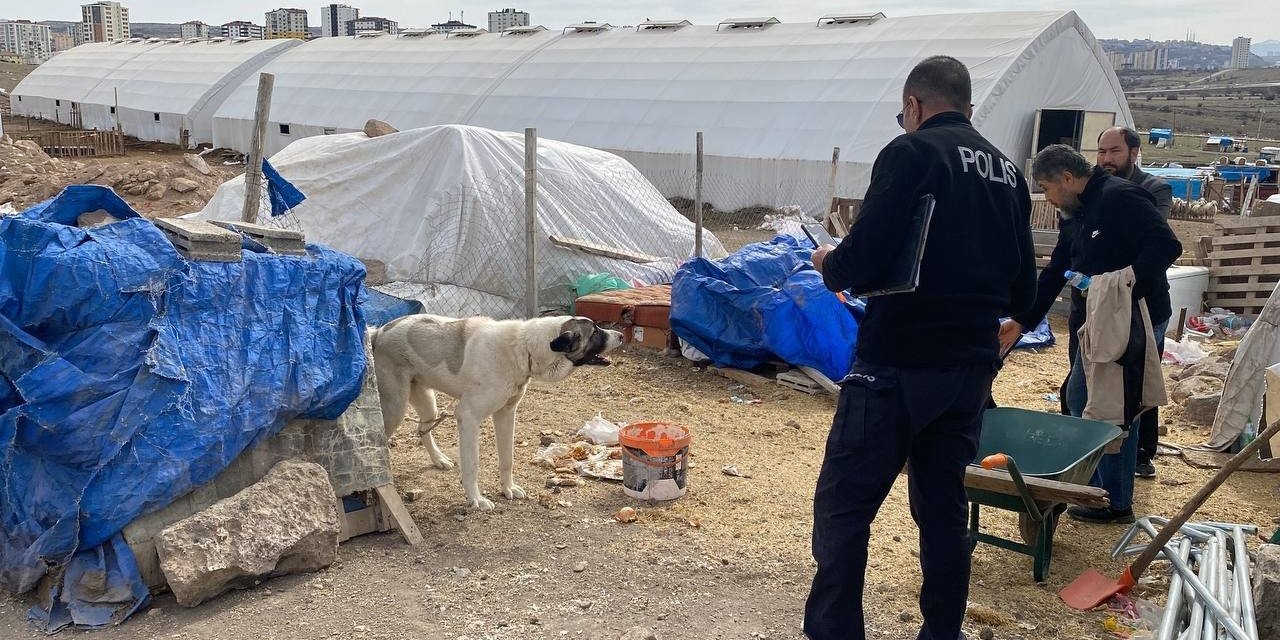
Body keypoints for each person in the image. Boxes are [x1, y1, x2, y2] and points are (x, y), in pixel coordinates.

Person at [807, 55, 1037, 640]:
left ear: (914, 106)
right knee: (942, 515)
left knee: (845, 510)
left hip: (897, 362)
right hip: (967, 372)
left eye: (903, 112)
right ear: (968, 106)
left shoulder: (910, 153)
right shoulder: (1009, 174)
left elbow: (861, 260)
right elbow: (1024, 290)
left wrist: (830, 262)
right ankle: (942, 633)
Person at [1000, 145, 1181, 524]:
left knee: (1116, 405)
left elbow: (1166, 245)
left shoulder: (1119, 198)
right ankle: (1098, 487)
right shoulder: (1076, 212)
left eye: (1047, 188)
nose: (1047, 198)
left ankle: (1113, 500)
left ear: (1068, 178)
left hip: (1131, 317)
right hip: (1096, 321)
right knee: (1084, 397)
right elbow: (1057, 268)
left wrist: (1123, 289)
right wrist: (1023, 319)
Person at [1097, 126, 1172, 479]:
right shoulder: (1097, 189)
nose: (1107, 159)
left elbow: (1155, 242)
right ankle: (1105, 452)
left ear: (1133, 152)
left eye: (1114, 151)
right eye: (1102, 152)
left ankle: (1143, 451)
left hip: (1144, 302)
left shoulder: (1154, 189)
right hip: (1105, 304)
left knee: (1141, 380)